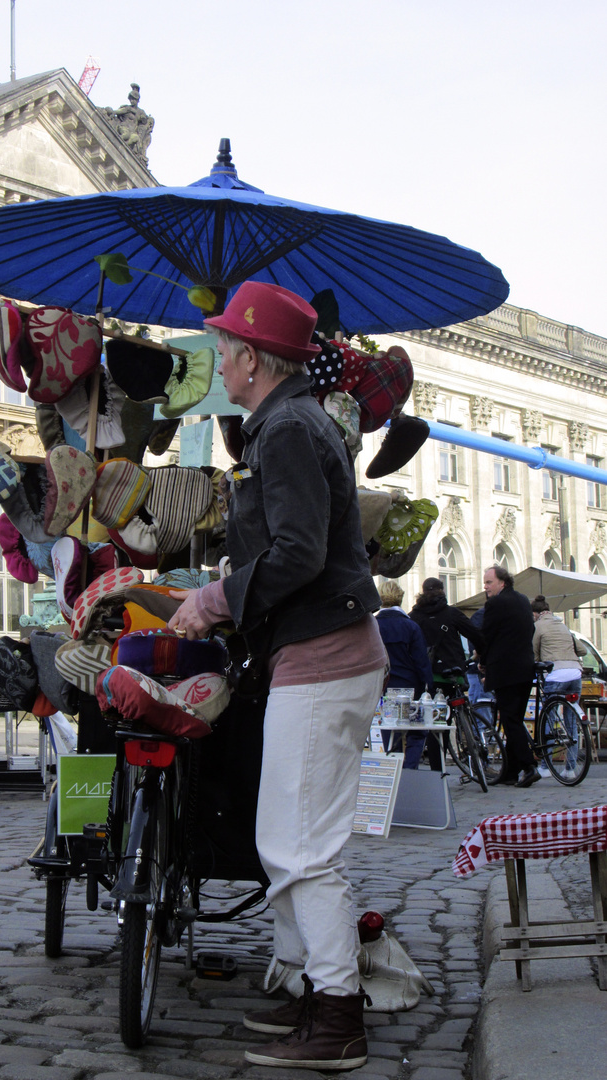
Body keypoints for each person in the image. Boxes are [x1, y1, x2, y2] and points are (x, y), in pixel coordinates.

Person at [166, 280, 387, 1071]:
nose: (218, 361)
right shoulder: (290, 423)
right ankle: (307, 991)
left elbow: (298, 553)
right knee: (286, 841)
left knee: (300, 849)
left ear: (252, 357)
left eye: (224, 347)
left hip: (323, 657)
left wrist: (219, 597)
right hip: (321, 654)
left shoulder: (288, 428)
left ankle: (337, 1016)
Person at [409, 577, 485, 769]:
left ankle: (437, 768)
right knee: (457, 711)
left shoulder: (414, 616)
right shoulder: (451, 613)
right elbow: (476, 634)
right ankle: (475, 755)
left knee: (437, 723)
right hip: (454, 672)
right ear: (442, 591)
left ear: (423, 592)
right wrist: (480, 655)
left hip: (430, 677)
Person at [478, 565, 539, 787]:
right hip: (525, 667)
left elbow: (487, 635)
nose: (485, 587)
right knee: (514, 718)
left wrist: (482, 661)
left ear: (502, 582)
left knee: (510, 720)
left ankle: (528, 766)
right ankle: (511, 771)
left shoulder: (495, 604)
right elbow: (529, 630)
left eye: (489, 582)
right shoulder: (523, 600)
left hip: (505, 668)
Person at [375, 580, 433, 769]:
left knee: (390, 729)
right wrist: (428, 687)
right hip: (410, 685)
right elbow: (421, 662)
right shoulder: (411, 627)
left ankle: (394, 767)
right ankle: (409, 769)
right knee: (417, 730)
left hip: (384, 686)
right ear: (401, 598)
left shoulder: (374, 626)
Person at [531, 595, 587, 775]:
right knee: (572, 721)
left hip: (555, 674)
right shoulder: (563, 625)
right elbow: (582, 650)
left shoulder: (538, 626)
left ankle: (546, 767)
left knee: (549, 718)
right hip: (575, 672)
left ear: (536, 614)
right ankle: (570, 769)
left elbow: (534, 653)